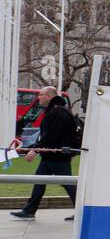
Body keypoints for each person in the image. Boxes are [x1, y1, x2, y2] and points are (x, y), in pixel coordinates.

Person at [10, 87, 78, 221]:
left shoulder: (56, 113)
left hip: (56, 155)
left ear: (49, 96)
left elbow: (50, 136)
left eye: (40, 95)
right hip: (52, 155)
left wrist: (35, 150)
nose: (38, 98)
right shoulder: (59, 110)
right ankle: (29, 210)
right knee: (39, 181)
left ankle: (83, 211)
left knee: (67, 183)